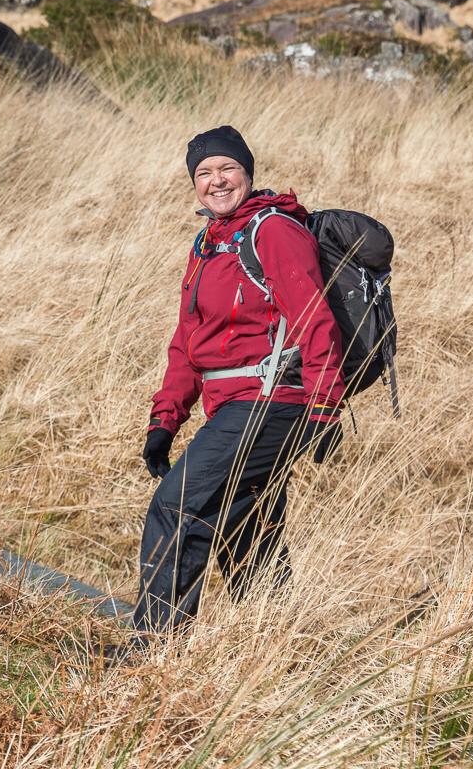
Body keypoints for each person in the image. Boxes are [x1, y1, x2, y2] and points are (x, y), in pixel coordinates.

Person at [132, 125, 346, 641]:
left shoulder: (273, 230)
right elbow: (188, 339)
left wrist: (323, 408)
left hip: (274, 401)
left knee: (176, 505)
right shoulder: (207, 243)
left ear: (248, 173)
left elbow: (316, 321)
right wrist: (166, 418)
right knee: (242, 526)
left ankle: (153, 651)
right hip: (232, 404)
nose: (216, 180)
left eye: (227, 168)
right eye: (203, 173)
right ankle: (282, 648)